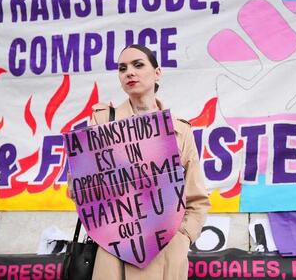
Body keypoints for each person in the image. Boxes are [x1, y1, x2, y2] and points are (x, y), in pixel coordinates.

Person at [69, 44, 210, 280]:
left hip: (167, 254)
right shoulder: (103, 121)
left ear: (157, 73)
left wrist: (183, 237)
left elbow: (196, 198)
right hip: (115, 253)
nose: (129, 73)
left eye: (138, 65)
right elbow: (80, 190)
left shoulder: (180, 130)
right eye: (122, 69)